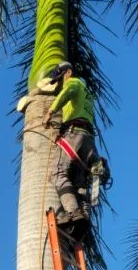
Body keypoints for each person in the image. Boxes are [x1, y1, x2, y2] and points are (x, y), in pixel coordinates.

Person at [41, 62, 107, 243]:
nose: (61, 83)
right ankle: (83, 217)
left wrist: (51, 112)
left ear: (69, 71)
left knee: (57, 173)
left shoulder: (74, 83)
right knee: (79, 182)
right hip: (88, 139)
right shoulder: (88, 94)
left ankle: (72, 211)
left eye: (61, 78)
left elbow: (66, 93)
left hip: (75, 134)